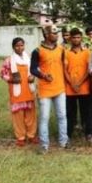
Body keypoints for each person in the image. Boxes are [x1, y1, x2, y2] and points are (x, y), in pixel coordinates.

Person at [30, 25, 69, 153]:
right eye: (54, 33)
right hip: (45, 89)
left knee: (62, 116)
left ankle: (63, 141)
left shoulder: (61, 49)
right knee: (44, 118)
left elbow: (63, 67)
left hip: (59, 88)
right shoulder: (37, 51)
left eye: (57, 33)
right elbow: (33, 69)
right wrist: (43, 75)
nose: (57, 35)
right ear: (46, 35)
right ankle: (44, 145)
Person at [0, 37, 37, 146]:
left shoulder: (29, 58)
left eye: (22, 45)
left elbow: (34, 71)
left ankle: (31, 135)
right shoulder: (9, 60)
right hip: (17, 92)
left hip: (28, 90)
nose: (20, 47)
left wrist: (33, 76)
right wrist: (11, 79)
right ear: (13, 47)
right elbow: (3, 74)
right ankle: (20, 137)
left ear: (24, 46)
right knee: (18, 116)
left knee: (31, 116)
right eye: (17, 46)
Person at [64, 28, 92, 140]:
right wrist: (72, 83)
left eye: (78, 37)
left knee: (86, 112)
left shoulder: (87, 52)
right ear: (70, 38)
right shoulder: (66, 53)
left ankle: (88, 133)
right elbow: (64, 70)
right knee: (70, 113)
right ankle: (69, 134)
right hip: (69, 88)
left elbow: (88, 70)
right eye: (74, 37)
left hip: (84, 87)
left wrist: (79, 83)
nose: (76, 39)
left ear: (81, 38)